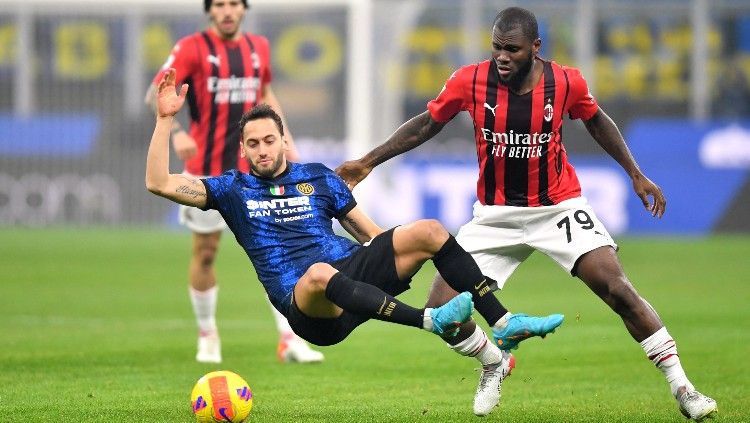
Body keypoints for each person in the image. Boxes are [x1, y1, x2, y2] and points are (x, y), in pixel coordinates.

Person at [335, 7, 717, 421]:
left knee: (618, 288)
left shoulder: (566, 81)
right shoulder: (470, 80)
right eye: (496, 47)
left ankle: (683, 388)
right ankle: (494, 362)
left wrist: (635, 173)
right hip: (494, 215)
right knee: (445, 311)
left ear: (535, 48)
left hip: (558, 207)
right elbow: (427, 124)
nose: (502, 56)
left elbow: (596, 120)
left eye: (512, 50)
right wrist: (368, 161)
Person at [146, 68, 563, 412]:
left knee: (430, 231)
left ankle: (502, 329)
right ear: (243, 149)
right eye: (252, 144)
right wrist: (166, 120)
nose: (262, 150)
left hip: (354, 279)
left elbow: (373, 235)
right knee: (317, 273)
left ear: (283, 141)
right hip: (311, 308)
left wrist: (404, 254)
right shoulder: (231, 190)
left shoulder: (319, 178)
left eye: (269, 140)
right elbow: (159, 183)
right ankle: (428, 320)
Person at [145, 0, 323, 364]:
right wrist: (176, 131)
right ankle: (208, 333)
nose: (227, 11)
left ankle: (290, 339)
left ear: (244, 9)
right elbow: (156, 93)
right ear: (210, 10)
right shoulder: (192, 48)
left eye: (234, 4)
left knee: (280, 251)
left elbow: (266, 94)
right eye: (220, 5)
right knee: (206, 253)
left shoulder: (258, 47)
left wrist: (285, 138)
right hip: (207, 173)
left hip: (254, 173)